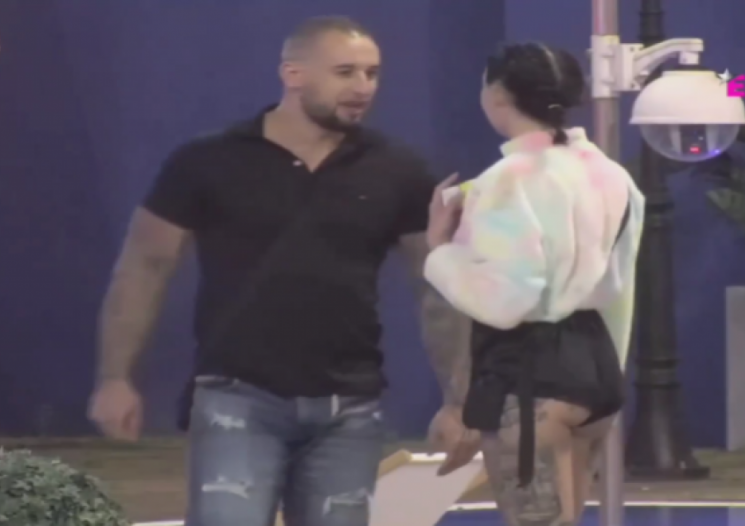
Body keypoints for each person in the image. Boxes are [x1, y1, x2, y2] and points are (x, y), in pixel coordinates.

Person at [87, 15, 475, 526]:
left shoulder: (398, 170)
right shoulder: (208, 162)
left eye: (372, 73)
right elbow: (144, 266)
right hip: (236, 399)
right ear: (293, 74)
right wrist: (115, 377)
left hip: (349, 409)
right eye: (345, 72)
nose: (363, 87)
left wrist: (460, 400)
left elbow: (438, 288)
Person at [423, 43, 645, 526]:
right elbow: (621, 287)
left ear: (498, 95)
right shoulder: (612, 175)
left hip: (529, 372)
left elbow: (507, 300)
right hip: (597, 366)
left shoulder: (508, 180)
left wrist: (439, 252)